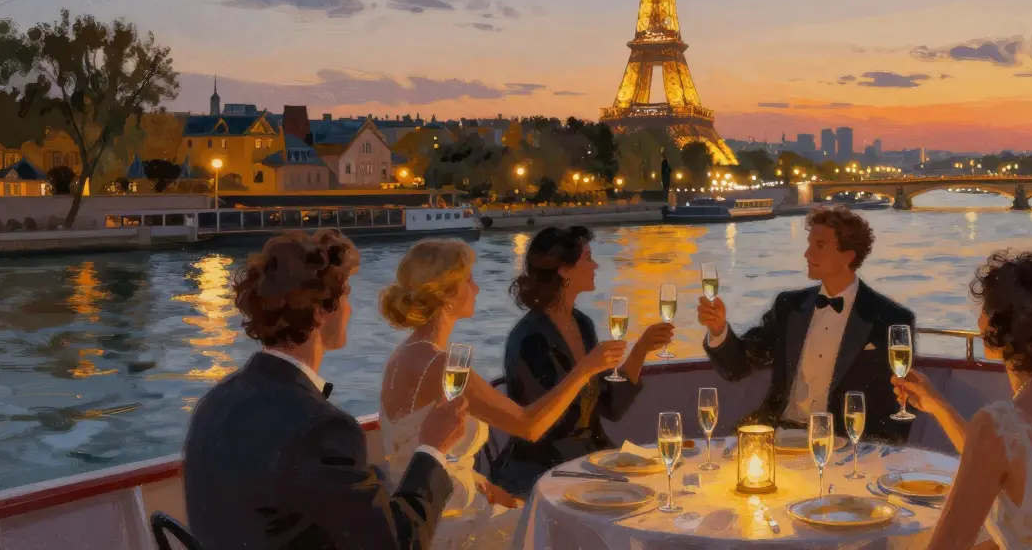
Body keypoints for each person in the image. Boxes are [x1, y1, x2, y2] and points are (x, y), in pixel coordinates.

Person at [184, 229, 466, 550]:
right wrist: (432, 448)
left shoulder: (216, 402)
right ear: (320, 311)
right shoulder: (322, 429)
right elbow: (399, 544)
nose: (350, 310)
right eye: (346, 296)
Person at [377, 239, 628, 548]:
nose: (477, 289)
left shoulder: (402, 356)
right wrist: (585, 369)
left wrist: (481, 482)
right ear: (447, 294)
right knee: (577, 527)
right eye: (469, 280)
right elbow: (529, 426)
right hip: (448, 522)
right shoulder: (441, 364)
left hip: (432, 506)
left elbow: (413, 449)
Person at [893, 251, 1032, 550]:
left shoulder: (999, 423)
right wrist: (937, 405)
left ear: (998, 327)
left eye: (984, 310)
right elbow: (1013, 468)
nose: (979, 319)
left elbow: (948, 544)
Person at [696, 206, 915, 441]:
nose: (807, 255)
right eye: (809, 244)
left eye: (819, 246)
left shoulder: (889, 318)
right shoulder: (789, 307)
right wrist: (718, 329)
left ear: (848, 256)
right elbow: (738, 367)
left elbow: (897, 403)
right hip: (776, 434)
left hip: (842, 441)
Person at [491, 226, 675, 496]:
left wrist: (641, 350)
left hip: (589, 459)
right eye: (588, 258)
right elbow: (545, 425)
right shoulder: (530, 339)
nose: (596, 265)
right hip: (545, 468)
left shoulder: (582, 324)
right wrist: (587, 367)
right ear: (564, 270)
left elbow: (611, 407)